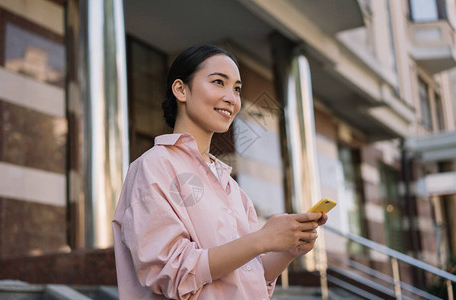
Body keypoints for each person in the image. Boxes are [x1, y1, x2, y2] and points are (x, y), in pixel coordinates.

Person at [112, 44, 328, 300]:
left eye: (237, 89)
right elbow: (172, 274)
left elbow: (250, 276)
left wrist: (286, 249)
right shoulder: (154, 165)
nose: (232, 98)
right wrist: (263, 239)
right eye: (218, 82)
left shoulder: (228, 184)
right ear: (181, 89)